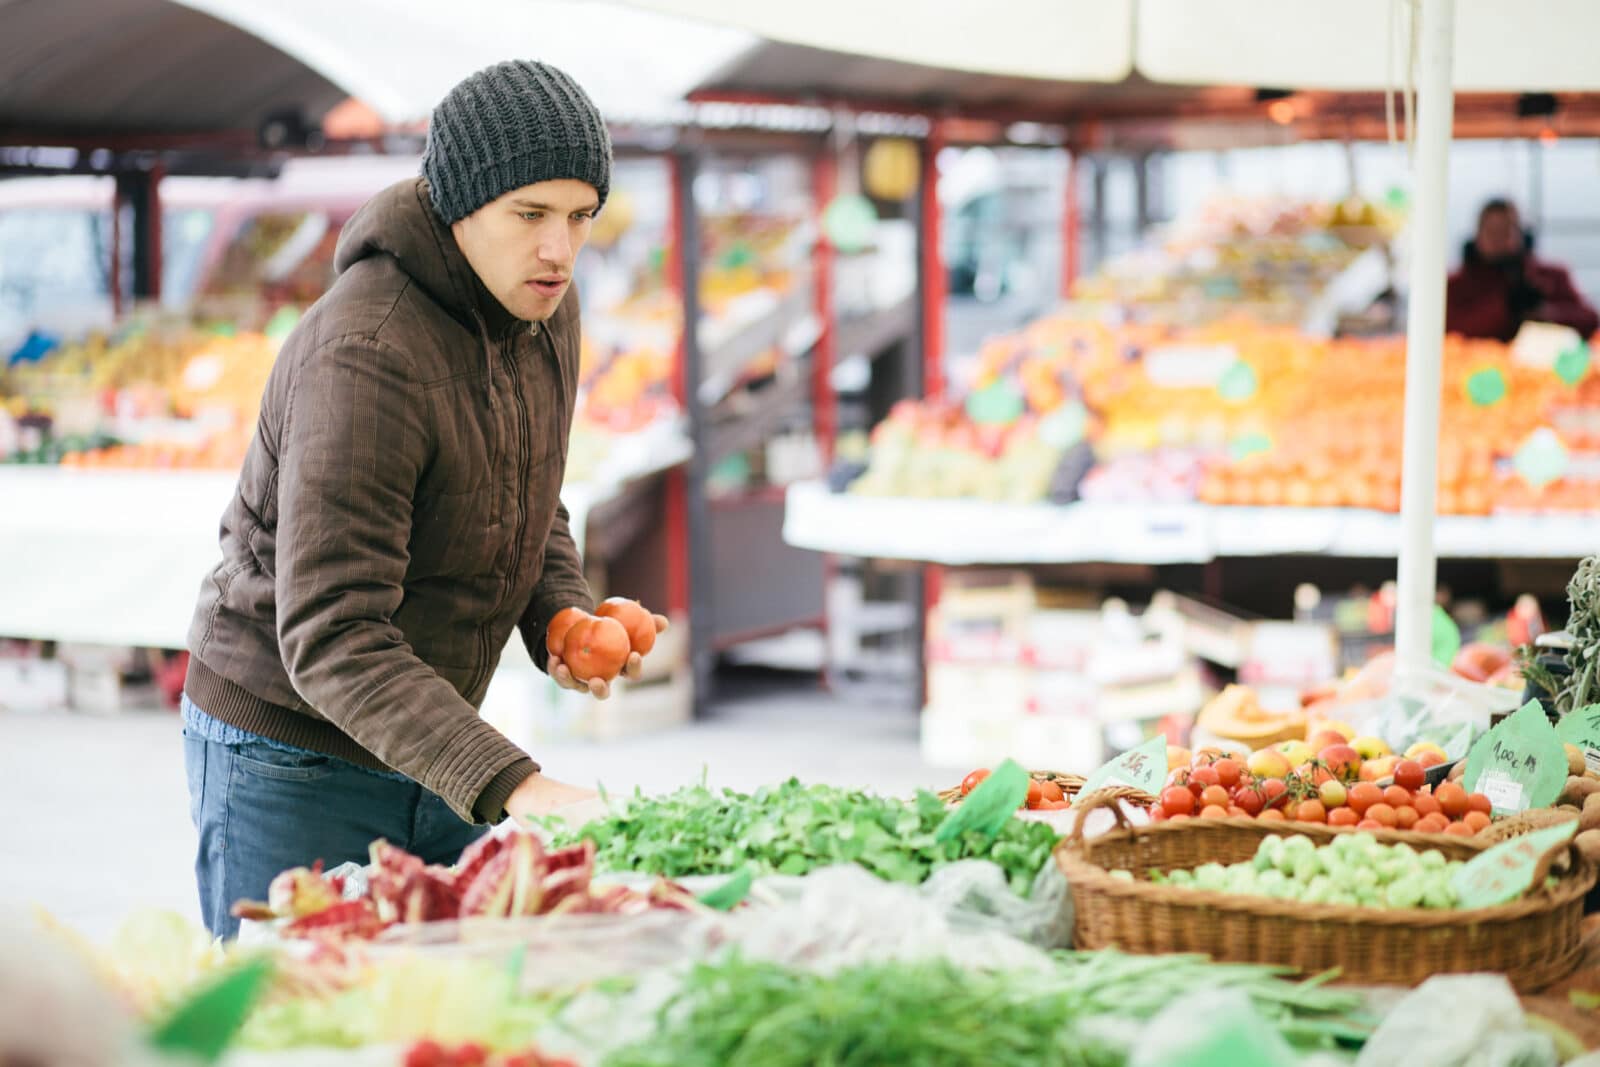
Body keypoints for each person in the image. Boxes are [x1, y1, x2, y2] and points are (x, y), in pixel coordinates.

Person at [179, 60, 666, 938]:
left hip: (429, 732)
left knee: (438, 1003)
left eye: (580, 216)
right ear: (459, 204)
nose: (559, 248)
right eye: (530, 214)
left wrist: (559, 613)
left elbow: (527, 485)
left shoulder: (543, 307)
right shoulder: (366, 351)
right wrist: (520, 783)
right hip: (291, 754)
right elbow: (332, 631)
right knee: (299, 1020)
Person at [1446, 198, 1598, 342]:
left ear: (1521, 234)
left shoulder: (1551, 276)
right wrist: (1505, 307)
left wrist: (1544, 312)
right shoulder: (1458, 285)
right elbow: (1449, 327)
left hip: (1541, 366)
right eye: (1491, 231)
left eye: (1505, 231)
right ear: (1477, 236)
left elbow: (1590, 320)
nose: (1498, 240)